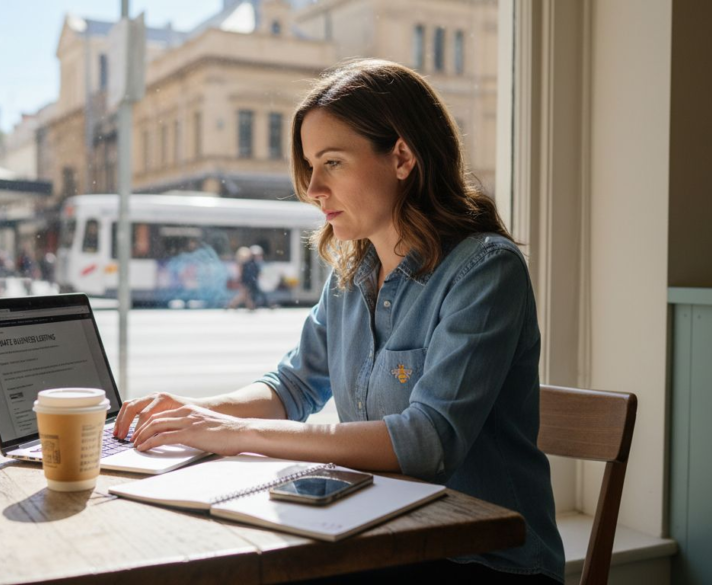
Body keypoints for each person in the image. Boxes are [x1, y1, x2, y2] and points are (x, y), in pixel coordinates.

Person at [114, 59, 564, 583]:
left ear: (401, 157)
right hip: (385, 537)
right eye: (310, 165)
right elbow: (293, 386)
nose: (313, 189)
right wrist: (191, 414)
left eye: (332, 163)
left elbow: (427, 442)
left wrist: (235, 431)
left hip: (486, 559)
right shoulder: (353, 272)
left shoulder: (486, 270)